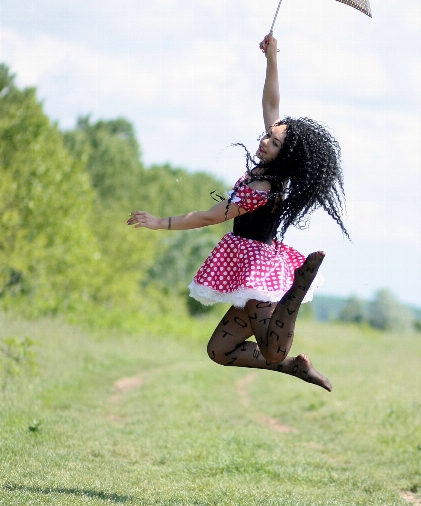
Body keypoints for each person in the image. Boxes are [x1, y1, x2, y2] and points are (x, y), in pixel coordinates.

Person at [127, 34, 349, 392]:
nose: (265, 140)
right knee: (220, 350)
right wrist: (272, 57)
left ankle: (299, 285)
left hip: (256, 267)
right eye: (268, 136)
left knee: (273, 351)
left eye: (274, 142)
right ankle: (297, 368)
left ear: (284, 154)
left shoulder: (262, 188)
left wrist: (160, 222)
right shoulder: (266, 168)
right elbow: (272, 103)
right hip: (245, 261)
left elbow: (210, 217)